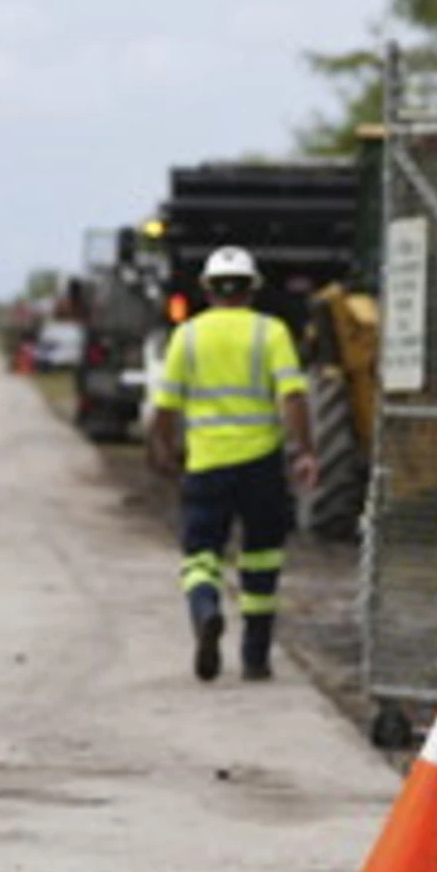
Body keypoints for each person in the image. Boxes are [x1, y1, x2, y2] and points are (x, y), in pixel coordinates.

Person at [147, 245, 319, 682]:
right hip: (260, 464)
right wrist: (304, 451)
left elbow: (164, 406)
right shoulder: (271, 332)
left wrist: (164, 451)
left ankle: (206, 609)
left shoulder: (186, 335)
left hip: (206, 465)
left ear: (207, 289)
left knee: (200, 555)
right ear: (252, 289)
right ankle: (256, 658)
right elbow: (293, 396)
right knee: (261, 558)